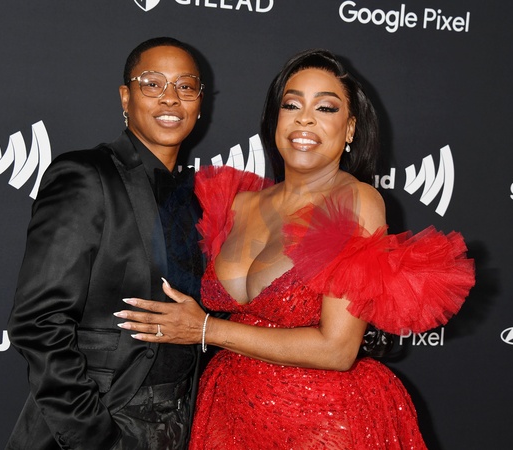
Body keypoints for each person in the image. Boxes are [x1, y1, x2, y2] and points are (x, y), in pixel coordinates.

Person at [116, 49, 475, 449]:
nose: (305, 118)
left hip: (321, 424)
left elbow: (337, 349)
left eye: (325, 107)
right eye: (292, 104)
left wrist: (205, 329)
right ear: (276, 119)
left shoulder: (355, 201)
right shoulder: (238, 204)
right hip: (226, 416)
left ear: (350, 129)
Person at [6, 37, 206, 450]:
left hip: (182, 424)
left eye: (185, 86)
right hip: (106, 418)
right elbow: (38, 323)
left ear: (199, 103)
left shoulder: (198, 199)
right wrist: (97, 438)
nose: (171, 98)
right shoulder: (85, 175)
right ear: (125, 97)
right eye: (153, 84)